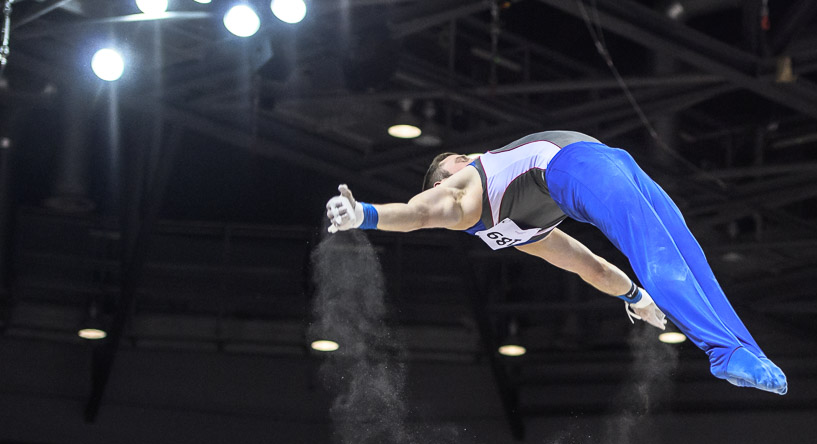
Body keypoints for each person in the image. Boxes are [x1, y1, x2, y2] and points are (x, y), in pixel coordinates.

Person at [325, 131, 787, 393]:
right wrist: (365, 215)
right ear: (446, 180)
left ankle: (745, 351)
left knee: (687, 251)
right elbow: (420, 212)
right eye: (452, 162)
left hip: (611, 163)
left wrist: (634, 296)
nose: (463, 156)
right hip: (580, 166)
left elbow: (590, 267)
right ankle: (722, 353)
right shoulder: (461, 196)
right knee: (658, 251)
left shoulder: (516, 233)